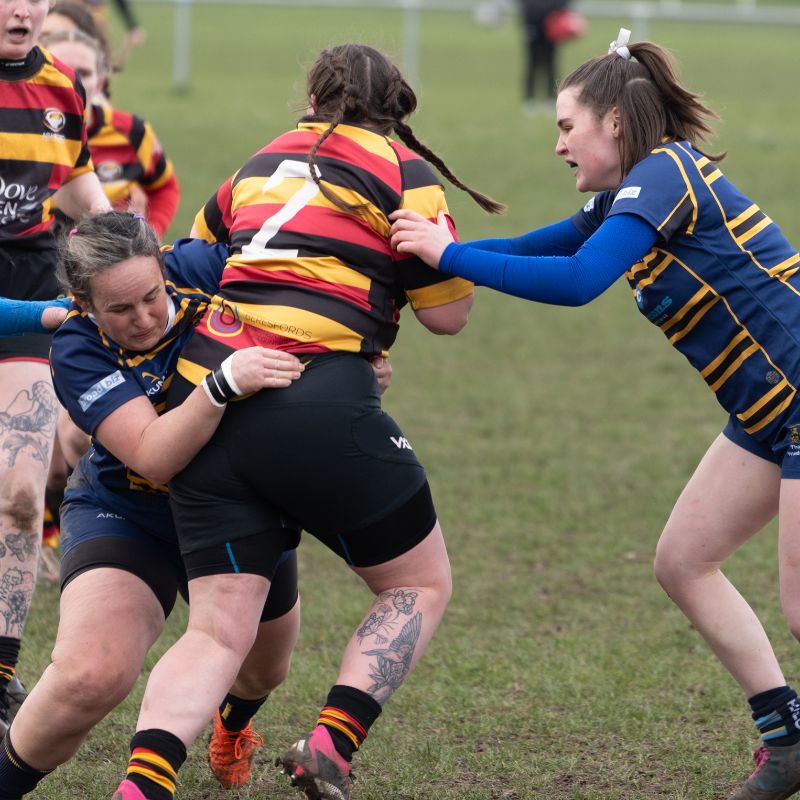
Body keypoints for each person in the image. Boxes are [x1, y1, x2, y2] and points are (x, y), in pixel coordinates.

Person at [390, 28, 800, 800]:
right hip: (768, 414)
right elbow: (536, 249)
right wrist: (430, 254)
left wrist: (446, 258)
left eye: (565, 125)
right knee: (683, 561)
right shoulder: (628, 200)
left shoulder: (666, 175)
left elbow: (577, 282)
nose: (557, 146)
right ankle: (789, 739)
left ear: (615, 122)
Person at [109, 42, 502, 800]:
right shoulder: (403, 171)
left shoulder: (256, 164)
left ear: (315, 99)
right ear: (394, 107)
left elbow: (194, 261)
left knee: (218, 632)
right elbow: (449, 315)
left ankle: (141, 786)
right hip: (316, 401)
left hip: (208, 403)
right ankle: (331, 743)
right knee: (417, 583)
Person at [0, 211, 308, 798]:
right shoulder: (76, 346)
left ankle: (232, 728)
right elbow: (153, 456)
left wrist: (356, 359)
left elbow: (312, 289)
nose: (144, 318)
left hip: (239, 508)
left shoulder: (205, 268)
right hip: (130, 509)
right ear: (83, 305)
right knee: (88, 676)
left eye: (151, 296)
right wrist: (223, 384)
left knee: (264, 668)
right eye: (120, 310)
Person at [0, 0, 110, 733]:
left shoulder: (61, 91)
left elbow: (77, 191)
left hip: (32, 285)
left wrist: (133, 259)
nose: (22, 8)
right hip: (31, 311)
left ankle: (0, 671)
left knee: (19, 490)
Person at [42, 29, 179, 238]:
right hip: (36, 262)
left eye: (84, 73)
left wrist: (150, 236)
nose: (72, 81)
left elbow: (165, 187)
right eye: (61, 70)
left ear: (100, 82)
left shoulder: (131, 131)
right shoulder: (19, 129)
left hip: (110, 262)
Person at [518, 0, 568, 114]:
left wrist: (560, 12)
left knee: (551, 64)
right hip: (532, 24)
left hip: (552, 24)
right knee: (532, 63)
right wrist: (527, 22)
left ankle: (551, 98)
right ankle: (529, 99)